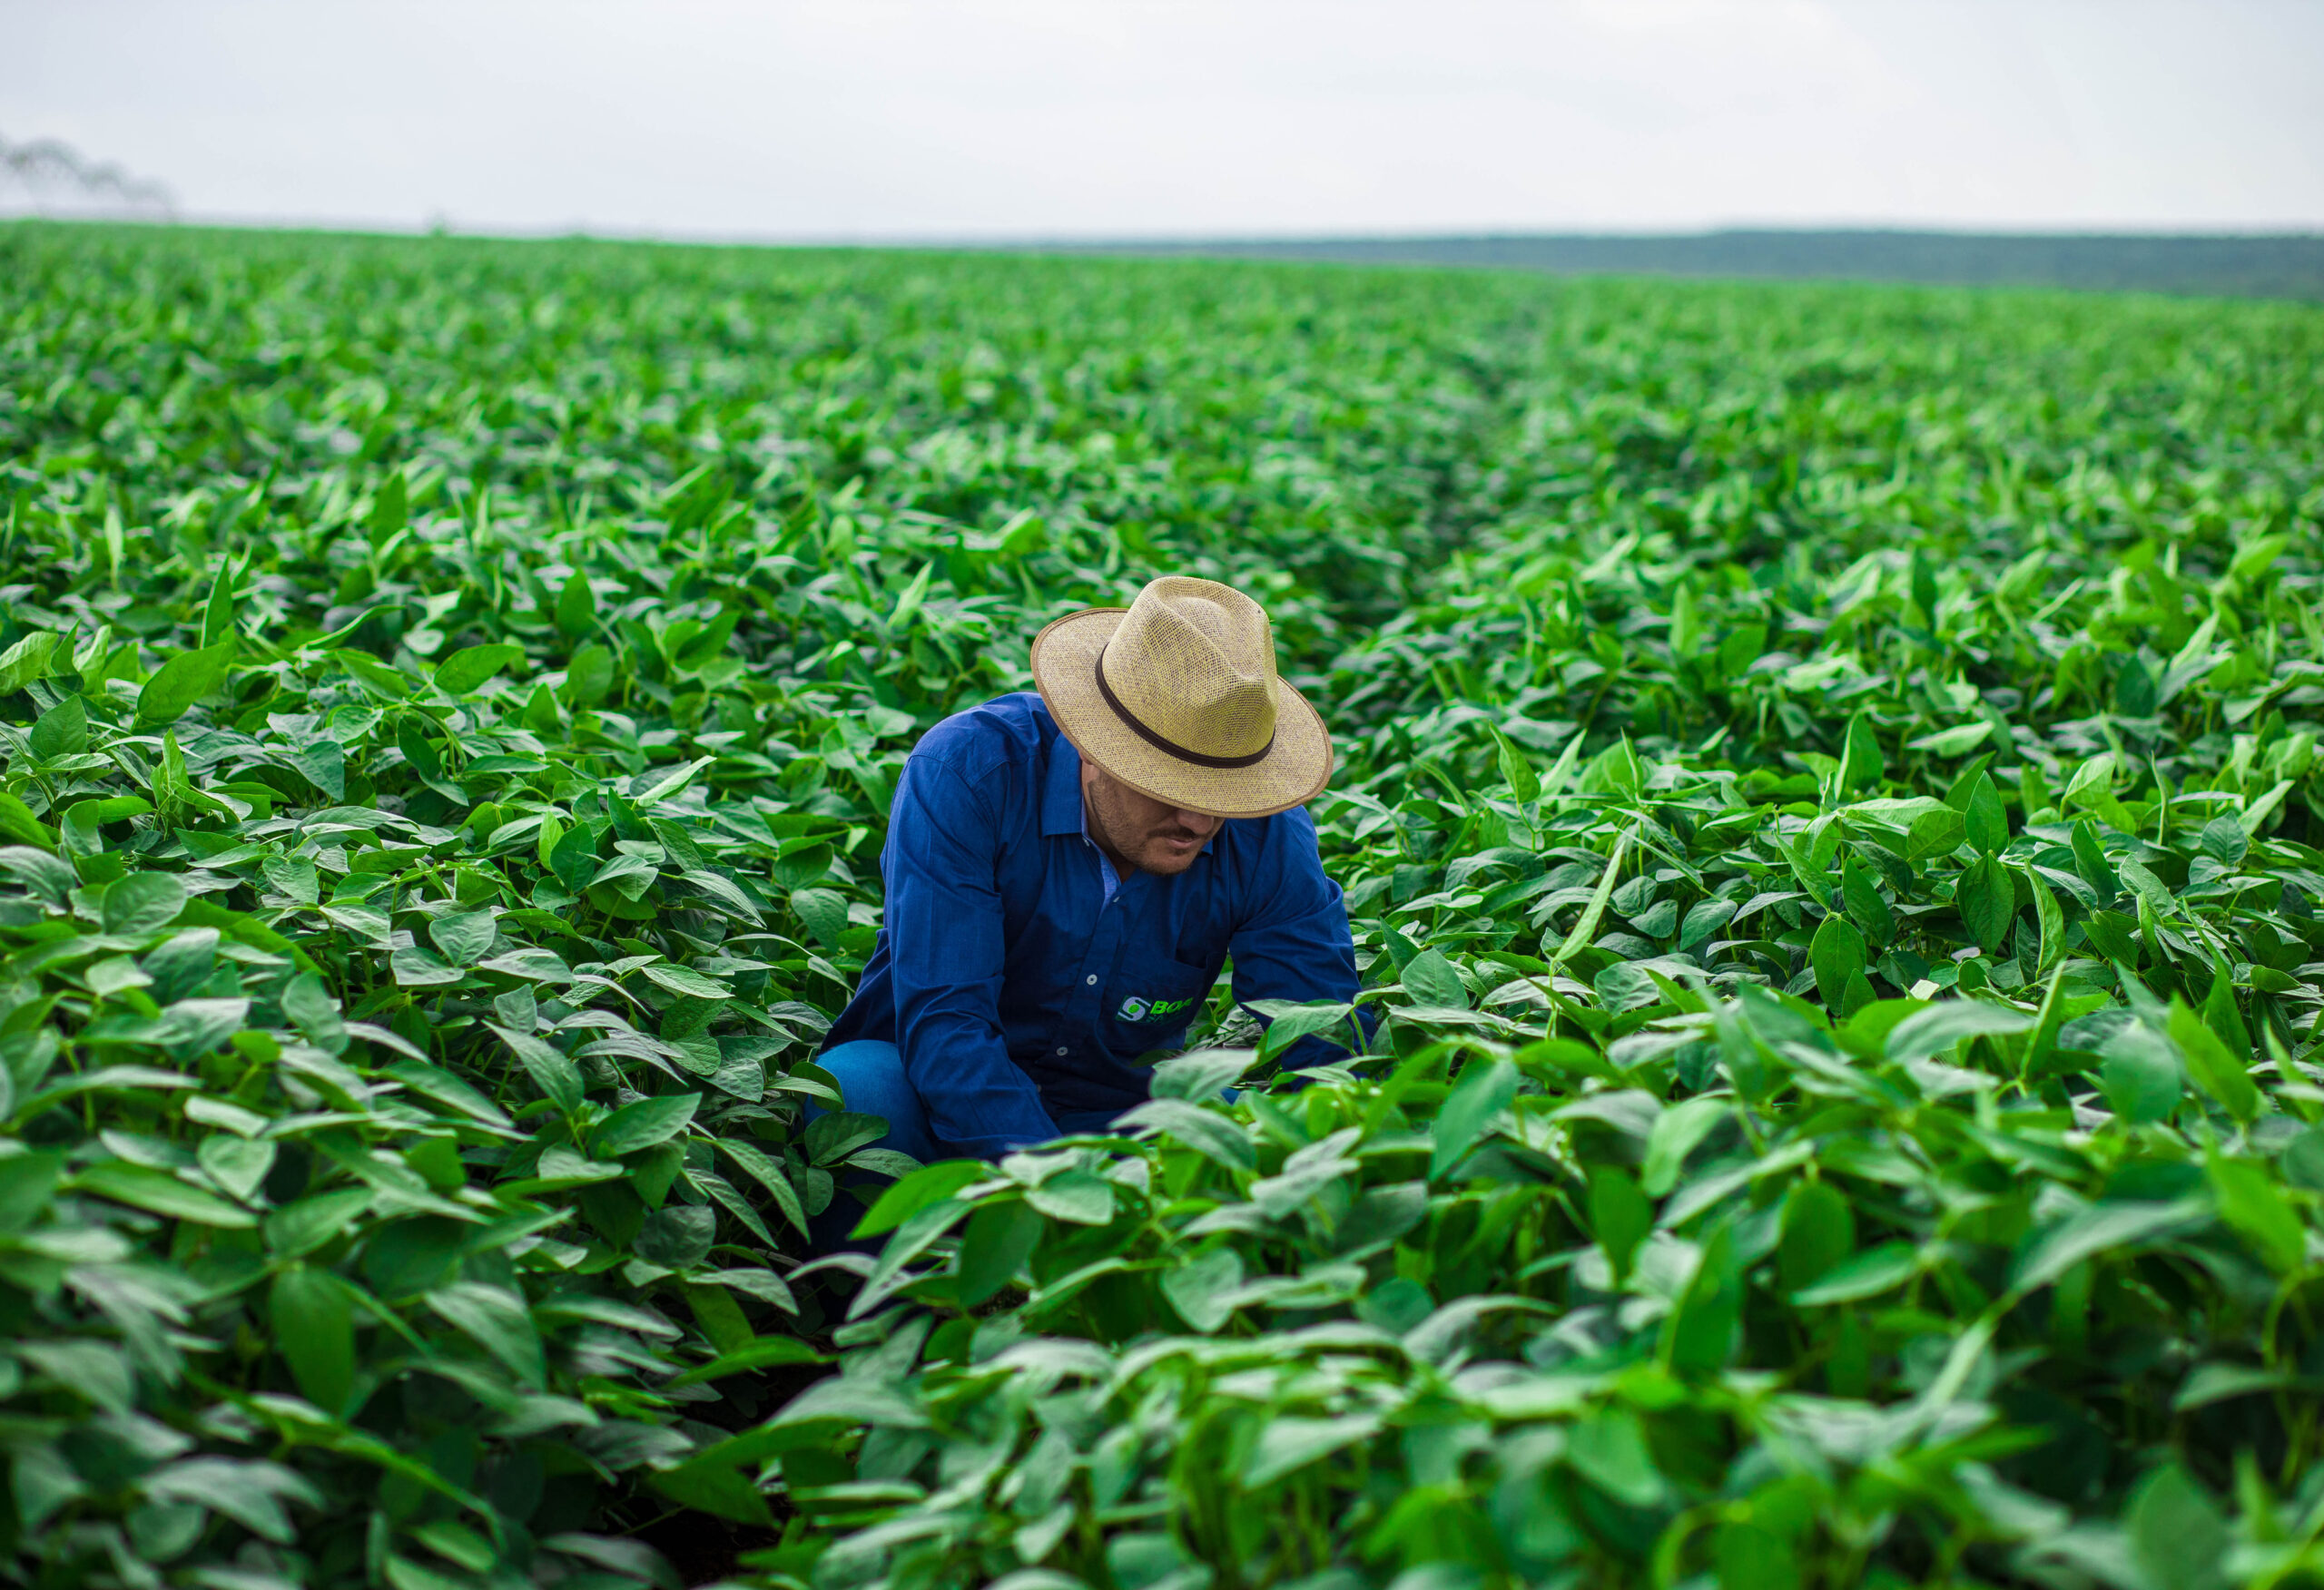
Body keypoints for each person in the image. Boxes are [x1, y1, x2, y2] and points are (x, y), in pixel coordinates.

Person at [809, 574, 1367, 1238]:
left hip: (1117, 1102)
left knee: (1233, 1128)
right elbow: (948, 1019)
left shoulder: (1267, 830)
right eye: (1168, 785)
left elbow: (1317, 1028)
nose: (1197, 818)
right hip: (934, 1090)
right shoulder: (971, 772)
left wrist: (1312, 1181)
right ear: (1091, 748)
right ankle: (893, 1321)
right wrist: (1065, 1201)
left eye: (1221, 791)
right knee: (859, 1097)